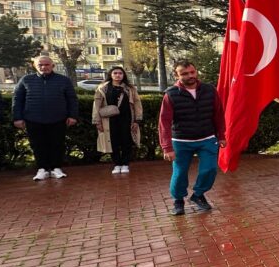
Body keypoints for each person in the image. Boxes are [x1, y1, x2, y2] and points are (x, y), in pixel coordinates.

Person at [158, 60, 226, 216]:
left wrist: (221, 136)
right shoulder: (171, 94)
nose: (190, 76)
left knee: (210, 169)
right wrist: (167, 147)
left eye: (192, 72)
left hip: (207, 138)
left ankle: (198, 195)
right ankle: (178, 201)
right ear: (176, 75)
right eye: (184, 73)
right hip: (181, 142)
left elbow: (218, 115)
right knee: (180, 173)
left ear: (196, 72)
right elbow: (164, 123)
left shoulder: (209, 90)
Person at [13, 55, 78, 181]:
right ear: (35, 66)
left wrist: (72, 115)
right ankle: (42, 169)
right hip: (33, 119)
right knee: (37, 145)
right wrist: (17, 118)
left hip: (58, 118)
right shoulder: (26, 80)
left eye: (46, 64)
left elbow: (72, 99)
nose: (43, 67)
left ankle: (56, 168)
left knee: (57, 144)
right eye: (40, 65)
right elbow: (17, 100)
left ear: (52, 65)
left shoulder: (64, 80)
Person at [93, 66, 143, 174]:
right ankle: (117, 164)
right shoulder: (103, 88)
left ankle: (125, 164)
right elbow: (96, 105)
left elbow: (137, 104)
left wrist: (137, 120)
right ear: (110, 75)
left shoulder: (130, 88)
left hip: (127, 118)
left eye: (120, 73)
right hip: (109, 120)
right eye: (115, 73)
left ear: (123, 75)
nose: (117, 75)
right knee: (112, 141)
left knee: (126, 141)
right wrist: (97, 121)